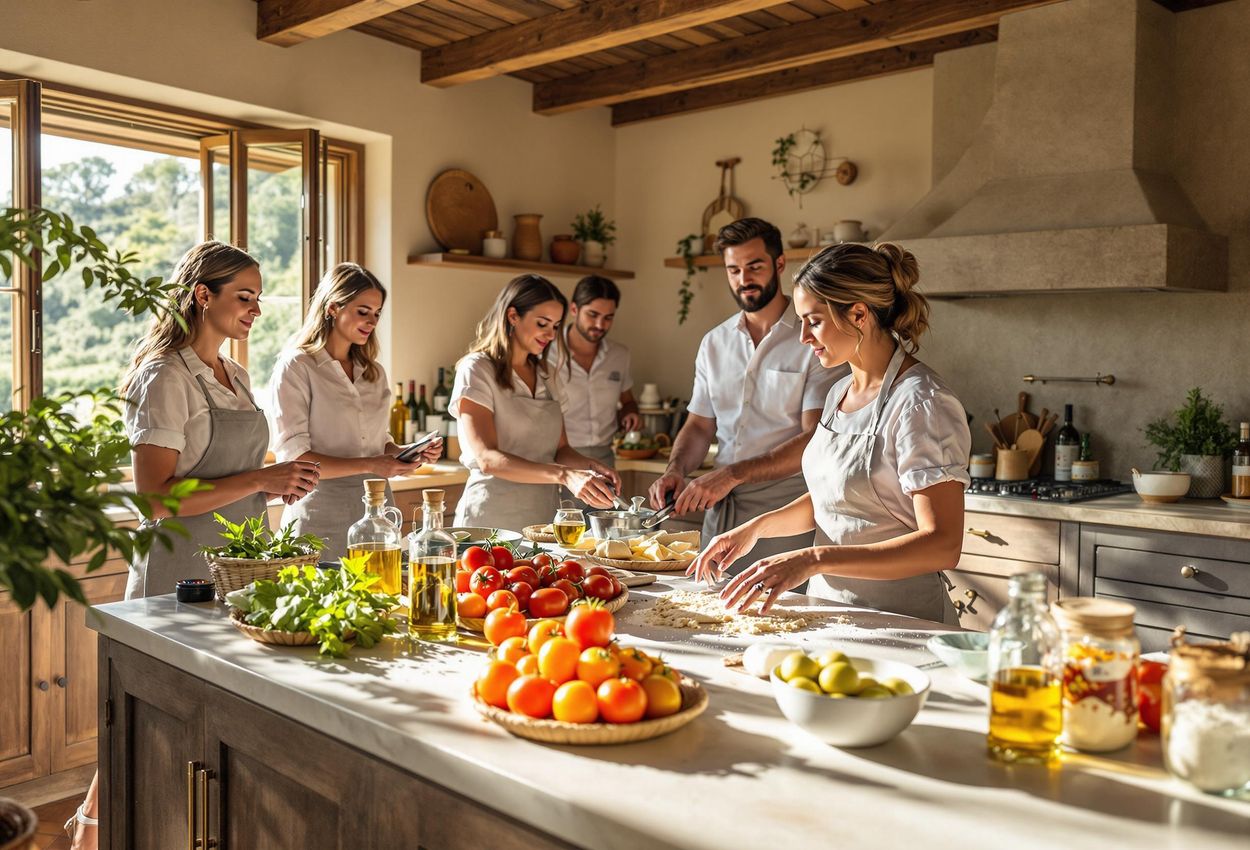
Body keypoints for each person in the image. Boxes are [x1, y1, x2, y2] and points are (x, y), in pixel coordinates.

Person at [67, 242, 321, 849]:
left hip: (240, 569)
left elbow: (236, 475)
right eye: (244, 296)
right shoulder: (164, 377)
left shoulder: (234, 374)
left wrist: (279, 484)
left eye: (259, 297)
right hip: (178, 575)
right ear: (202, 296)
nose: (256, 309)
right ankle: (96, 830)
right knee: (150, 717)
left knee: (210, 718)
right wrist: (261, 478)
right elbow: (155, 497)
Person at [691, 242, 971, 624]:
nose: (804, 336)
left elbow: (942, 545)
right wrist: (754, 529)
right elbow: (834, 498)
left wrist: (813, 558)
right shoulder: (841, 392)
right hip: (828, 612)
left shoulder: (922, 402)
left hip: (902, 621)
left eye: (815, 321)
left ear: (858, 314)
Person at [650, 218, 839, 574]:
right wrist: (676, 470)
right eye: (733, 269)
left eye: (754, 266)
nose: (743, 279)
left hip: (785, 514)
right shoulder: (714, 343)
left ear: (779, 265)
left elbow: (816, 438)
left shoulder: (813, 340)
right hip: (721, 509)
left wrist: (733, 474)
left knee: (780, 619)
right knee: (707, 614)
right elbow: (699, 425)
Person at [270, 263, 441, 559]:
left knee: (382, 601)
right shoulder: (297, 367)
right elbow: (297, 458)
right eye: (363, 311)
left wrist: (407, 454)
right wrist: (374, 464)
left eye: (377, 313)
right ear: (333, 307)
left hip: (378, 512)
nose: (372, 321)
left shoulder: (374, 373)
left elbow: (376, 442)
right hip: (318, 514)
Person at [450, 274, 620, 529]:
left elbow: (560, 450)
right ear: (513, 316)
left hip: (542, 521)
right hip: (489, 517)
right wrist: (565, 475)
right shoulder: (476, 369)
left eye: (556, 325)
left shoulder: (547, 374)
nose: (551, 334)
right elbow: (487, 457)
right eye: (543, 323)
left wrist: (591, 467)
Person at [556, 276, 640, 504]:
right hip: (560, 460)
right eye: (592, 315)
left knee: (604, 532)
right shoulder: (548, 352)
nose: (600, 325)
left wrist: (630, 412)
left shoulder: (619, 355)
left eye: (608, 318)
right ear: (574, 309)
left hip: (604, 458)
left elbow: (628, 400)